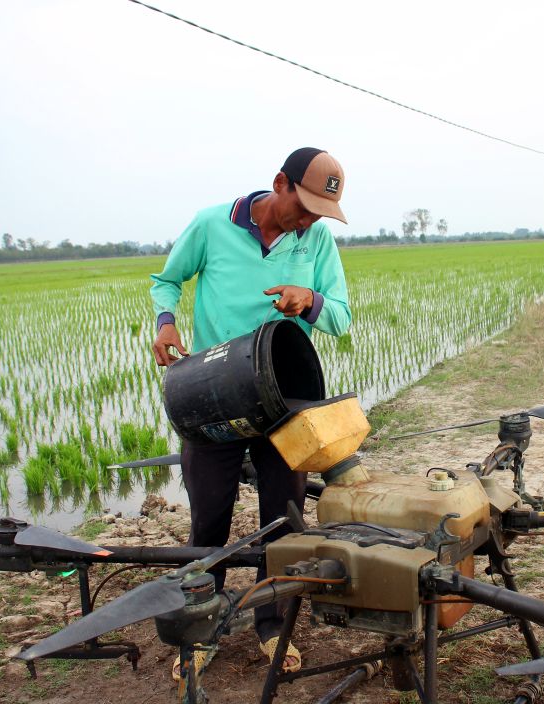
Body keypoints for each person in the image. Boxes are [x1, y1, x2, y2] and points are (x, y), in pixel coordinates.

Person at [149, 147, 352, 677]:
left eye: (317, 213)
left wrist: (306, 299)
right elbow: (165, 280)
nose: (307, 221)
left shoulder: (317, 240)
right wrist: (166, 322)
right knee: (208, 519)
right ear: (279, 183)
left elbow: (342, 317)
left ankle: (272, 628)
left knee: (282, 523)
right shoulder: (213, 224)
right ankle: (201, 630)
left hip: (285, 398)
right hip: (214, 393)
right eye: (302, 207)